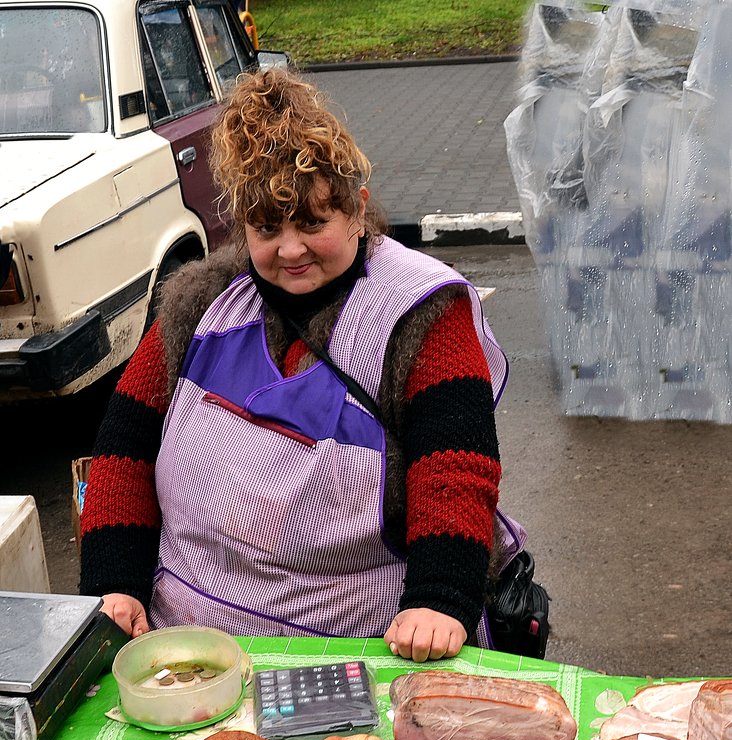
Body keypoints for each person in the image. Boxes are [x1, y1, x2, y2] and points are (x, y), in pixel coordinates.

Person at [79, 69, 514, 663]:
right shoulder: (198, 303)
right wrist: (115, 581)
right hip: (188, 651)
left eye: (313, 223)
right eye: (266, 228)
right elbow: (123, 446)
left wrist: (440, 600)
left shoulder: (421, 309)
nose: (290, 249)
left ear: (357, 210)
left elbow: (456, 464)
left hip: (366, 647)